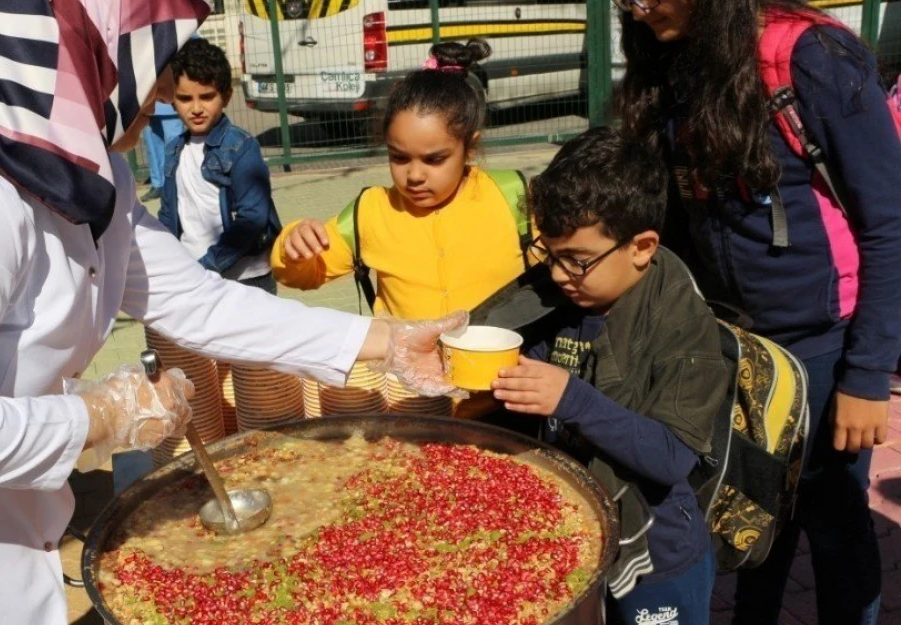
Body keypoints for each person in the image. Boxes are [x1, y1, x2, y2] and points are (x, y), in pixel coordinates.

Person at [0, 2, 464, 623]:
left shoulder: (82, 165)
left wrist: (386, 338)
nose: (169, 89)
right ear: (86, 51)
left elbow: (198, 301)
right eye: (158, 60)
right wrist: (103, 416)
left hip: (9, 556)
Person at [613, 0, 901, 622]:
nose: (636, 9)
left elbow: (890, 222)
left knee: (835, 527)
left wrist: (868, 375)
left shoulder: (813, 59)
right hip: (735, 339)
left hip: (826, 343)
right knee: (750, 515)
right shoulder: (674, 58)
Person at [486, 127, 725, 625]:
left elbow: (672, 455)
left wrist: (571, 399)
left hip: (657, 554)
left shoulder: (684, 323)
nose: (556, 274)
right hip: (572, 534)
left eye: (576, 260)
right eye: (547, 253)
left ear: (641, 246)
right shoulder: (562, 294)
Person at [271, 39, 527, 320]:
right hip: (408, 364)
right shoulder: (372, 210)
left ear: (470, 148)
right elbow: (305, 275)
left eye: (434, 159)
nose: (414, 176)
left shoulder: (512, 196)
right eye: (399, 158)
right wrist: (293, 246)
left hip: (505, 363)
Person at [158, 38, 281, 294]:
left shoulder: (241, 147)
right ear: (172, 100)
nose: (196, 108)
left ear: (225, 97)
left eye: (206, 97)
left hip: (245, 277)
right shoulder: (173, 151)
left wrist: (209, 265)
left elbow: (253, 217)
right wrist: (167, 264)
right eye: (184, 98)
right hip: (194, 273)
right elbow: (169, 215)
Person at [138, 101, 185, 202]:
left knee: (174, 144)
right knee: (152, 145)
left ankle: (178, 184)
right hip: (148, 103)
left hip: (171, 101)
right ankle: (158, 185)